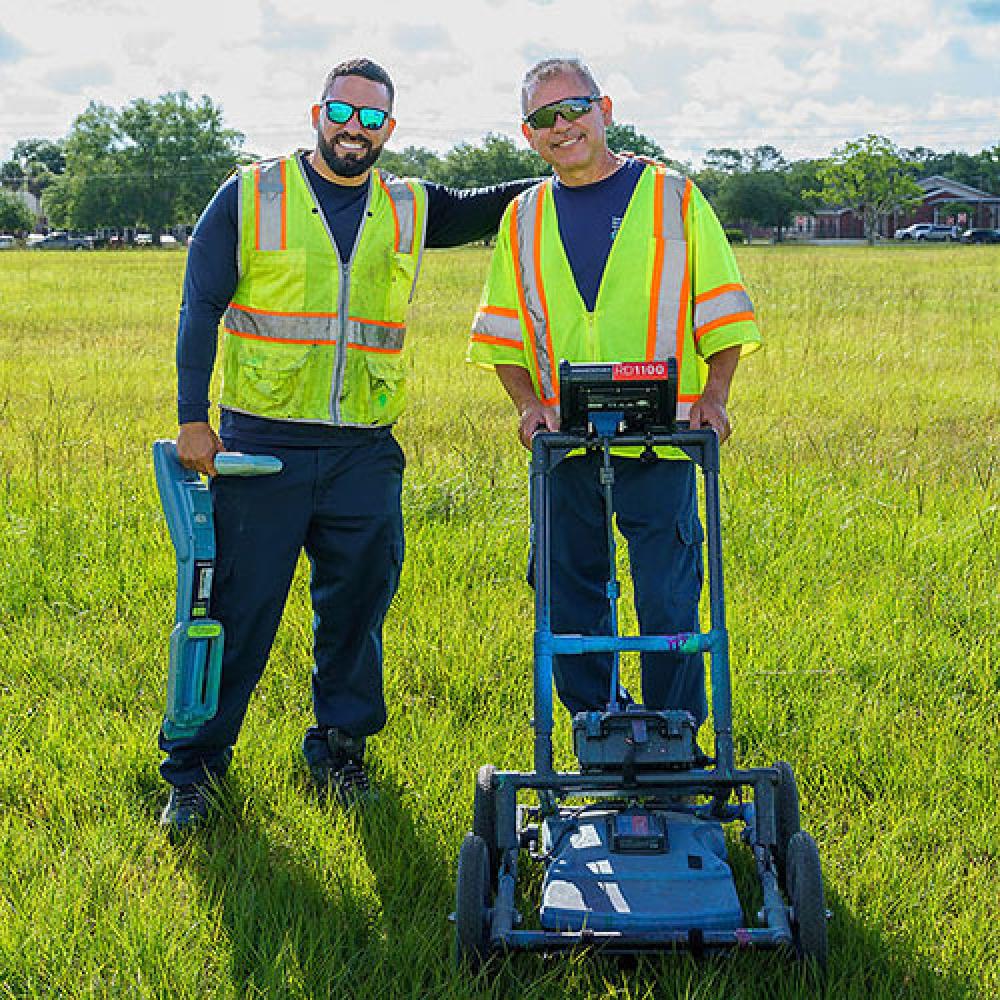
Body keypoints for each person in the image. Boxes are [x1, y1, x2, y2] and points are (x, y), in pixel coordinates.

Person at [160, 57, 540, 834]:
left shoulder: (407, 206)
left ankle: (338, 750)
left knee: (359, 607)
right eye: (344, 112)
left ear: (388, 130)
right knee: (238, 608)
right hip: (261, 446)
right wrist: (191, 417)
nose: (354, 129)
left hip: (365, 449)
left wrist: (584, 162)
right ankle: (194, 769)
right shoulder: (252, 194)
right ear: (317, 114)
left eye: (372, 119)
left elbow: (497, 205)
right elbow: (200, 306)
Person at [468, 57, 761, 732]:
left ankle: (674, 733)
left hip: (663, 437)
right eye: (545, 118)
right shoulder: (523, 217)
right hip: (565, 445)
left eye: (573, 109)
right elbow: (503, 333)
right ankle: (595, 723)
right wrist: (526, 408)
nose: (562, 126)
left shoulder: (674, 197)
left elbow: (720, 310)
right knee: (569, 595)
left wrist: (715, 395)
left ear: (605, 108)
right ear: (528, 134)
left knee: (668, 597)